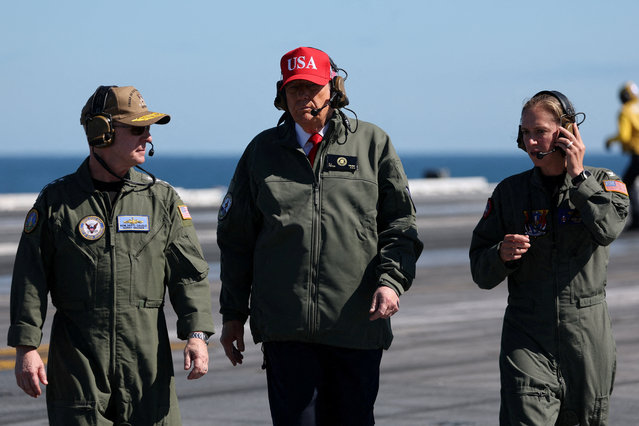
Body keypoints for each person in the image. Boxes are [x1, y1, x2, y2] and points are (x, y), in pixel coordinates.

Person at [217, 46, 423, 425]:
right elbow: (236, 239)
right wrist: (233, 314)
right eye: (295, 90)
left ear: (334, 89)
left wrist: (391, 282)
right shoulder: (262, 152)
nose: (304, 98)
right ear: (282, 94)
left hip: (356, 326)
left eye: (312, 88)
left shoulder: (373, 144)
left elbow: (401, 225)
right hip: (286, 330)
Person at [8, 85, 215, 425]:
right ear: (100, 133)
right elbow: (31, 278)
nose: (147, 137)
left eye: (148, 129)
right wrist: (26, 348)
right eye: (137, 129)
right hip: (78, 361)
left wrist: (196, 335)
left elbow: (188, 274)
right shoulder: (56, 203)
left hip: (146, 359)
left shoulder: (161, 199)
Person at [470, 90, 629, 425]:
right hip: (527, 333)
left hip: (586, 336)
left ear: (567, 132)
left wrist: (579, 177)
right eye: (525, 133)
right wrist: (501, 255)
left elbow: (608, 230)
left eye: (539, 131)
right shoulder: (510, 193)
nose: (530, 142)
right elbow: (481, 272)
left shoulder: (606, 183)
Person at [605, 81, 639, 230]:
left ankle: (637, 219)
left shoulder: (625, 111)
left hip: (637, 153)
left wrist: (610, 140)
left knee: (628, 184)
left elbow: (624, 137)